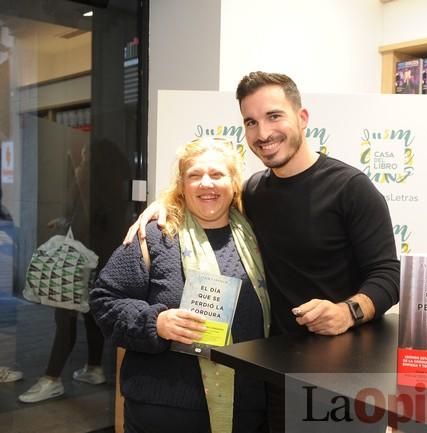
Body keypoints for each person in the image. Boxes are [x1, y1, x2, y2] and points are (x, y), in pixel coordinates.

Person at [126, 72, 400, 431]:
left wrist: (347, 312)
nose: (263, 133)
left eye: (274, 116)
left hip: (342, 380)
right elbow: (207, 199)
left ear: (302, 118)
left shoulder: (351, 189)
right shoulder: (253, 191)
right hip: (272, 374)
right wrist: (161, 208)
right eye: (251, 122)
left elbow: (389, 276)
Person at [91, 137, 270, 433]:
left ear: (234, 182)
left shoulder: (256, 236)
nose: (206, 183)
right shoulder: (156, 235)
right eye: (195, 175)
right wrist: (155, 322)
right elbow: (104, 300)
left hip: (245, 409)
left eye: (216, 174)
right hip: (163, 411)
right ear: (182, 184)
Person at [19, 143, 106, 403]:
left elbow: (84, 217)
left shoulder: (88, 181)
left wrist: (77, 179)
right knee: (88, 313)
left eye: (85, 156)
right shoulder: (107, 186)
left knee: (64, 316)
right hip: (97, 257)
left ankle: (52, 379)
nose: (81, 160)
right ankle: (94, 368)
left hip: (76, 261)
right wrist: (63, 222)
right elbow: (87, 218)